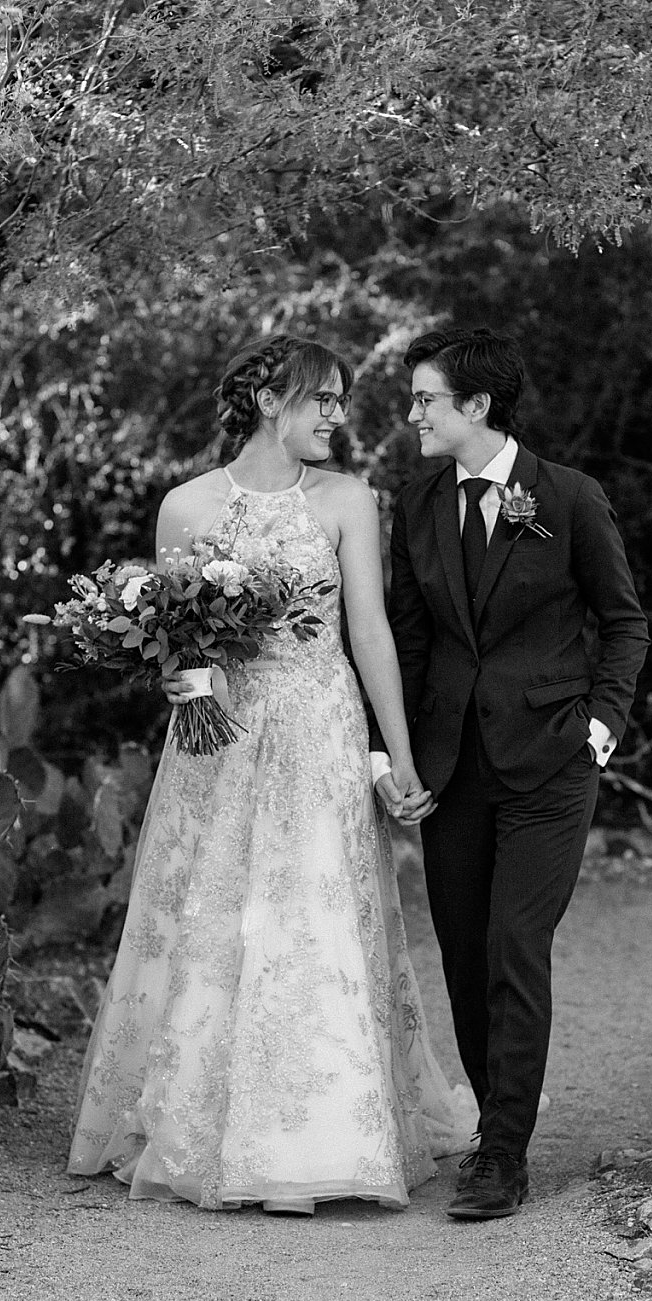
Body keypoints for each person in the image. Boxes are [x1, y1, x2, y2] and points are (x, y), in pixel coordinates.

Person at [67, 334, 477, 1216]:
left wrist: (396, 756)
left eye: (340, 400)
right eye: (322, 398)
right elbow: (175, 650)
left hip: (321, 729)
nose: (339, 415)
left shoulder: (349, 501)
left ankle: (331, 1132)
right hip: (223, 741)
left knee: (321, 916)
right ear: (267, 400)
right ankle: (205, 1125)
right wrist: (187, 682)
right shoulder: (185, 507)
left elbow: (367, 630)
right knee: (214, 916)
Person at [372, 328, 649, 1220]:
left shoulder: (567, 497)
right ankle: (496, 1115)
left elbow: (624, 622)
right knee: (461, 952)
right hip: (454, 769)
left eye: (425, 399)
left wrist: (599, 730)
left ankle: (502, 1152)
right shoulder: (417, 502)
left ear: (477, 406)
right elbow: (411, 642)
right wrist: (396, 757)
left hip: (550, 765)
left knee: (515, 946)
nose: (412, 414)